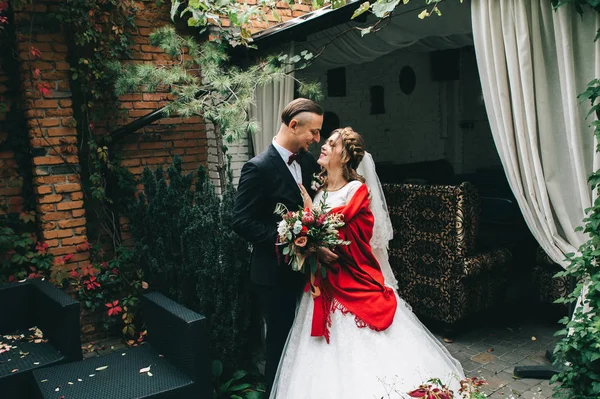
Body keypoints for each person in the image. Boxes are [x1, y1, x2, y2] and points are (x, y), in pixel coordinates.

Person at [270, 127, 465, 398]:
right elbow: (314, 230)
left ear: (347, 156)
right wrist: (308, 241)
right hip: (322, 286)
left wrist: (316, 237)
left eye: (332, 144)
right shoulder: (318, 193)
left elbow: (356, 240)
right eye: (325, 142)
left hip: (350, 279)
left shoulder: (357, 192)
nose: (324, 146)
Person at [232, 98, 326, 393]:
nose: (317, 139)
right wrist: (286, 238)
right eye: (314, 132)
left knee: (306, 343)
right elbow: (241, 220)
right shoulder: (257, 168)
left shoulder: (308, 162)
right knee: (280, 342)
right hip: (273, 275)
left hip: (307, 272)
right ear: (294, 125)